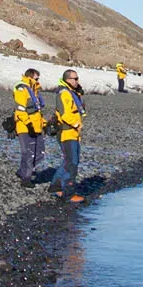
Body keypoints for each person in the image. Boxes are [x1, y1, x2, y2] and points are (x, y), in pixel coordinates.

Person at [51, 69, 88, 203]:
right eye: (74, 79)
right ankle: (68, 193)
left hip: (73, 132)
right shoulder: (64, 93)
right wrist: (76, 123)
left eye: (77, 78)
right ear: (67, 80)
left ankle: (56, 187)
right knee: (72, 162)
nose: (77, 81)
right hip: (67, 132)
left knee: (70, 160)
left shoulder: (73, 93)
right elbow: (65, 114)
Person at [12, 68, 46, 185]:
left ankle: (22, 171)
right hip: (25, 126)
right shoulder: (22, 89)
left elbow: (37, 112)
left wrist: (45, 124)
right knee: (29, 153)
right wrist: (28, 124)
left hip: (36, 127)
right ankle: (26, 179)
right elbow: (20, 110)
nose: (38, 80)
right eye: (36, 78)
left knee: (40, 153)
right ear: (30, 77)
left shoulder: (34, 91)